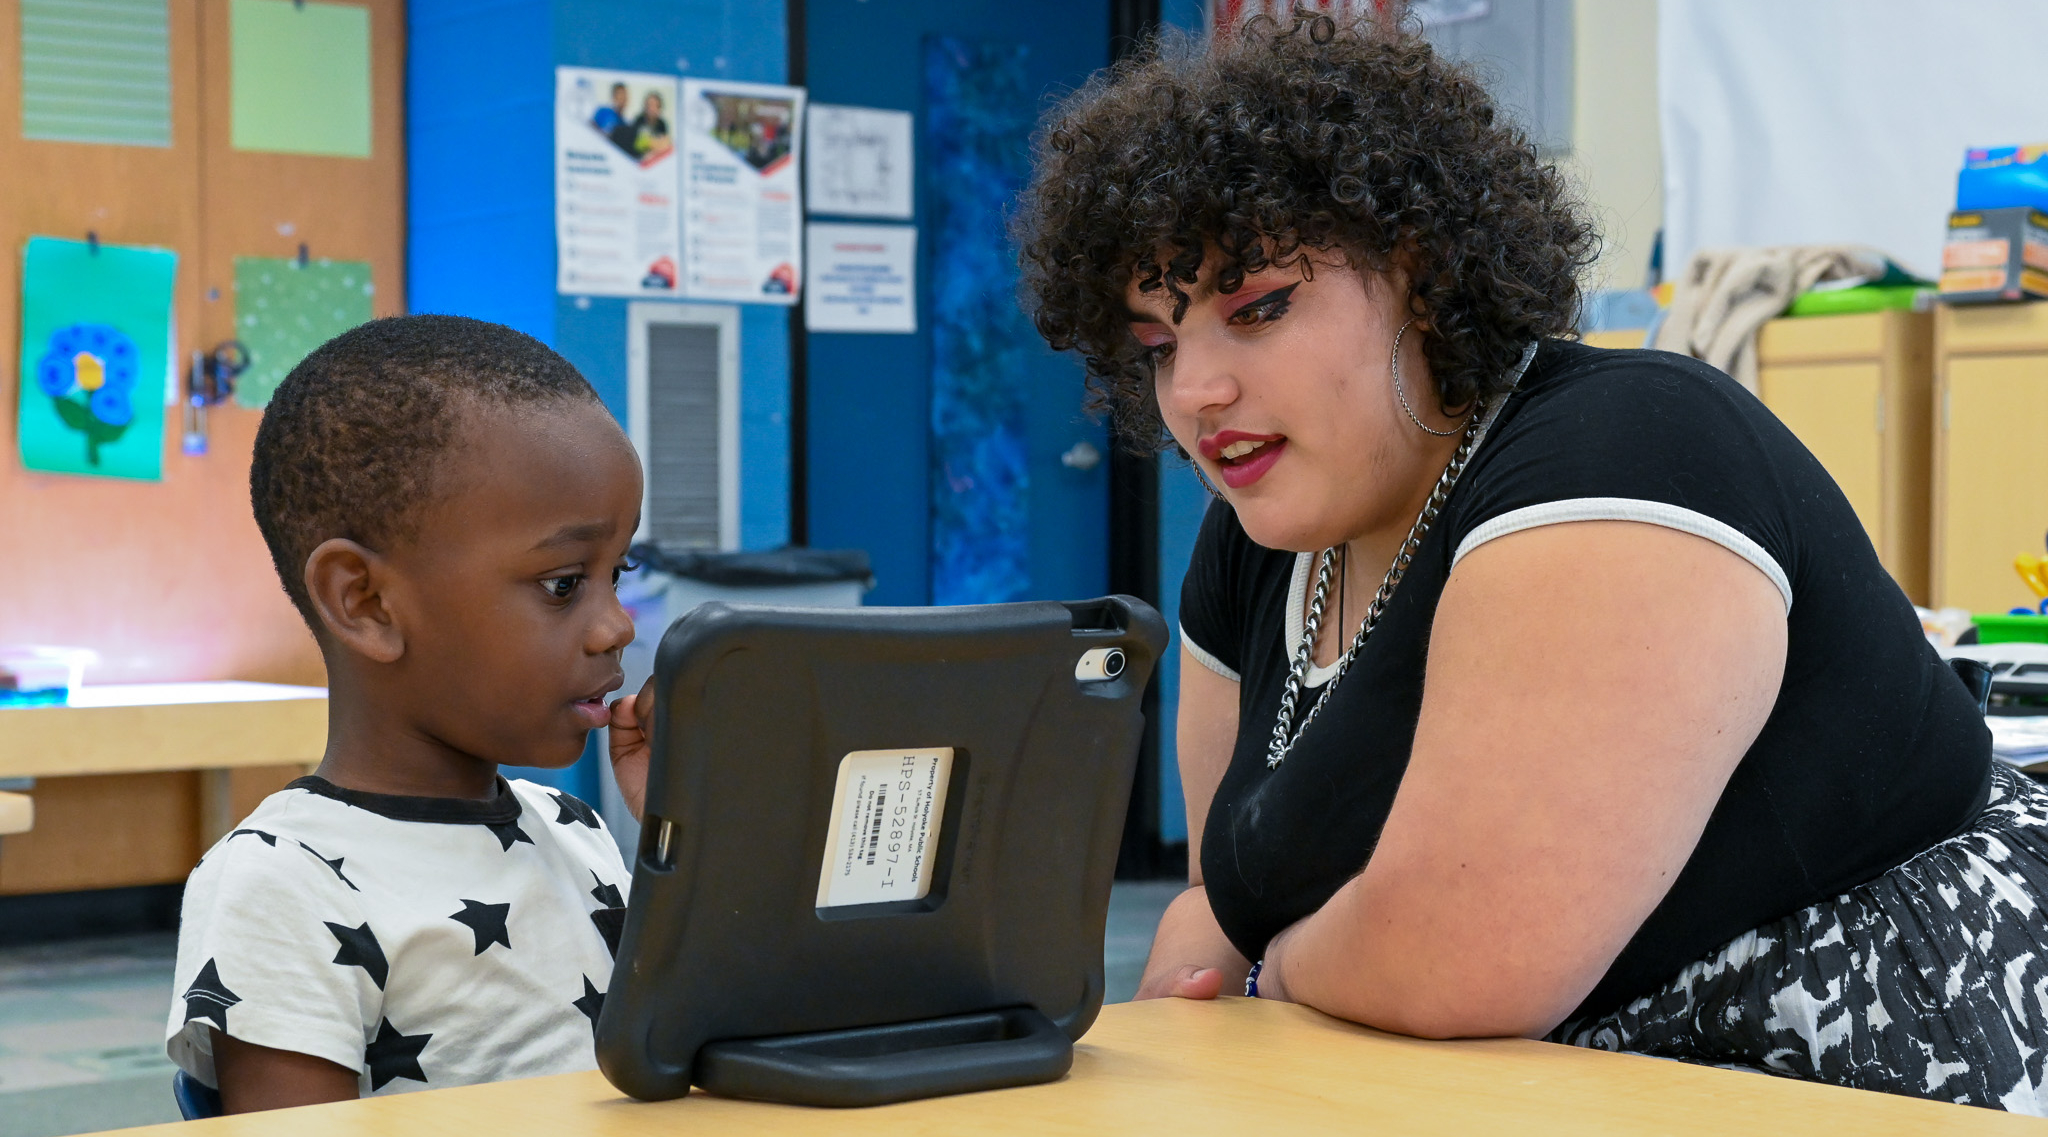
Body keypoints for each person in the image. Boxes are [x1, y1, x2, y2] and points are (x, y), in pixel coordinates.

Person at [1017, 12, 2048, 1114]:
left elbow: (1461, 952)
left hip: (1863, 1058)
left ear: (1419, 269)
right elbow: (1200, 927)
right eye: (1160, 346)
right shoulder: (1254, 549)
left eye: (1258, 308)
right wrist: (1288, 949)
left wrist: (1277, 962)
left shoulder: (1624, 449)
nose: (1195, 394)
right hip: (1511, 1075)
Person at [165, 316, 659, 1112]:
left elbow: (694, 1067)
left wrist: (685, 839)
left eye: (619, 570)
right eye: (566, 582)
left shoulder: (573, 828)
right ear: (366, 602)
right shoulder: (282, 881)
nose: (617, 625)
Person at [632, 91, 671, 159]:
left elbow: (666, 144)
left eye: (654, 105)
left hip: (657, 160)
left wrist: (652, 143)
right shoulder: (638, 120)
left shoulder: (662, 124)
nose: (651, 108)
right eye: (649, 105)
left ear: (659, 108)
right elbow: (638, 144)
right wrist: (655, 143)